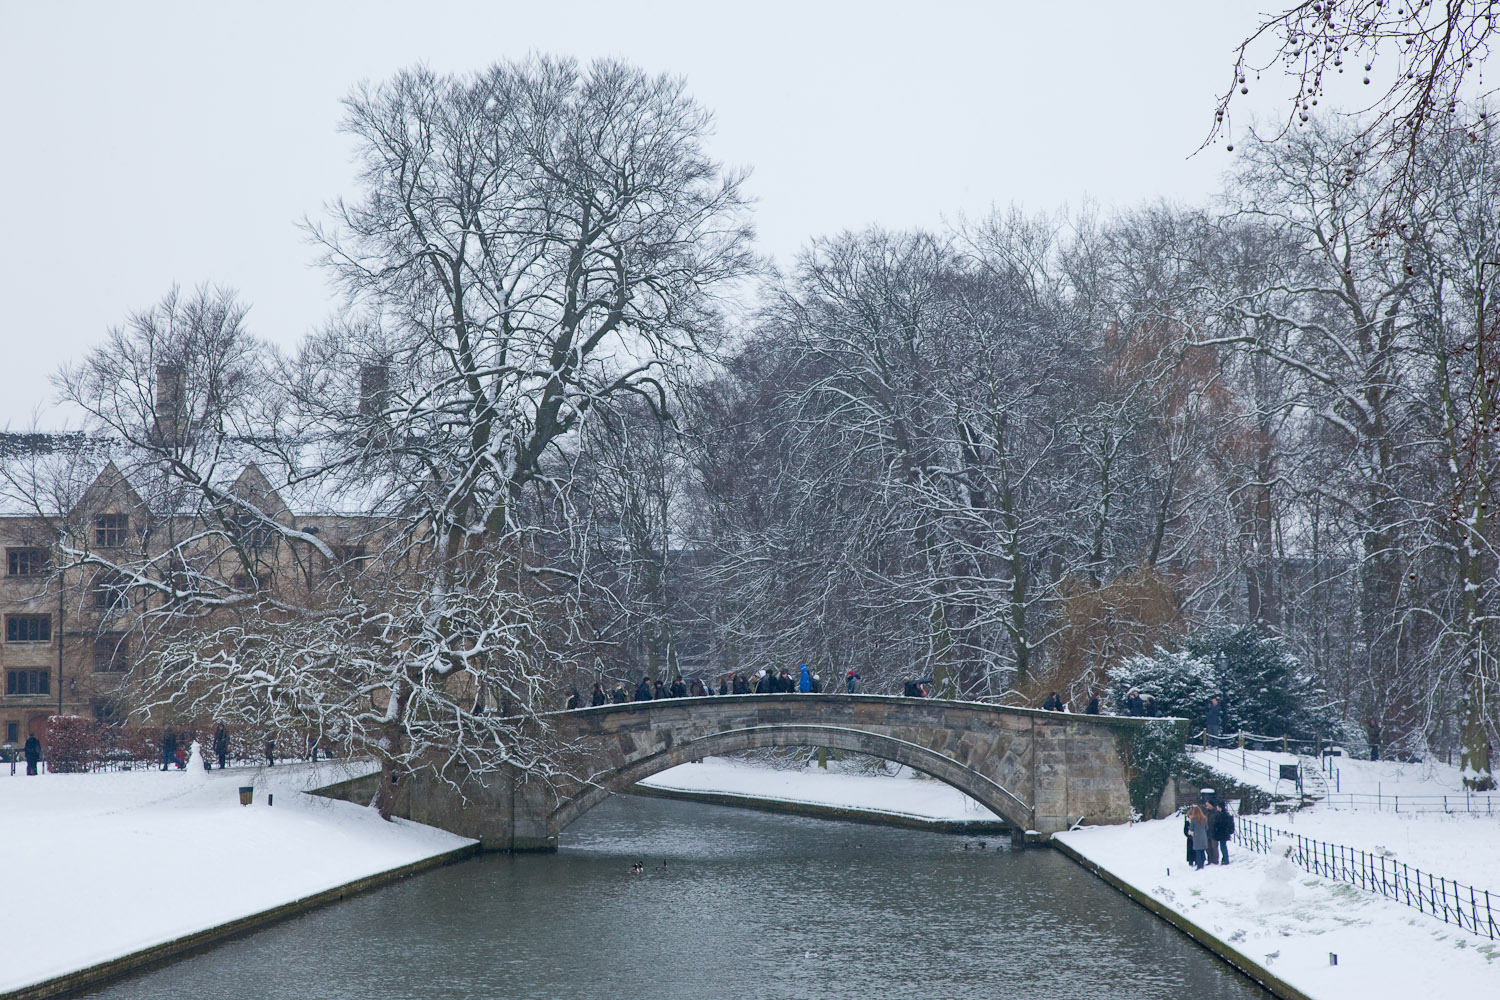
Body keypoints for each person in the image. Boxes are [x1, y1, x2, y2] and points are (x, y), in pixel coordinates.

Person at [1184, 804, 1209, 870]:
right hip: (1203, 836)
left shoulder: (1193, 820)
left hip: (1196, 836)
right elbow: (1206, 828)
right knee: (1202, 851)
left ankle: (1199, 865)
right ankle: (1203, 864)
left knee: (1198, 851)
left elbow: (1191, 828)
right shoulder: (1204, 818)